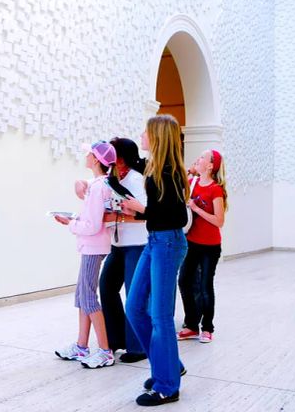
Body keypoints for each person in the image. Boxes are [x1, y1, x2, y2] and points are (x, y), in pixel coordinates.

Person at [121, 115, 189, 407]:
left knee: (160, 316)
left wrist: (141, 210)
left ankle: (167, 385)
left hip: (167, 243)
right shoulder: (153, 167)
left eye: (145, 132)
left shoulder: (171, 172)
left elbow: (179, 217)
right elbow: (125, 163)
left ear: (157, 136)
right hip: (155, 242)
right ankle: (169, 364)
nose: (141, 136)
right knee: (135, 307)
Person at [53, 141, 117, 368]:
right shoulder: (99, 184)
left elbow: (92, 225)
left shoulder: (100, 187)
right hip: (91, 246)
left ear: (97, 160)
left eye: (89, 154)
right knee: (82, 295)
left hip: (93, 246)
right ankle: (82, 347)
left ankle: (105, 351)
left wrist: (71, 223)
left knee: (88, 297)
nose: (86, 156)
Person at [99, 137, 148, 363]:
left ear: (121, 157)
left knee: (133, 295)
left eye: (112, 152)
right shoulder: (113, 179)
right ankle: (117, 338)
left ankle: (137, 347)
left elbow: (143, 214)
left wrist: (117, 215)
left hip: (136, 245)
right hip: (117, 245)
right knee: (107, 287)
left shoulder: (136, 180)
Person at [177, 150, 227, 344]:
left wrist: (197, 208)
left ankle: (207, 328)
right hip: (191, 243)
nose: (198, 159)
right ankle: (191, 325)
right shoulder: (192, 183)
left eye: (202, 158)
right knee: (184, 281)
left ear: (210, 166)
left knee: (206, 286)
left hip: (210, 246)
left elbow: (219, 220)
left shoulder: (215, 189)